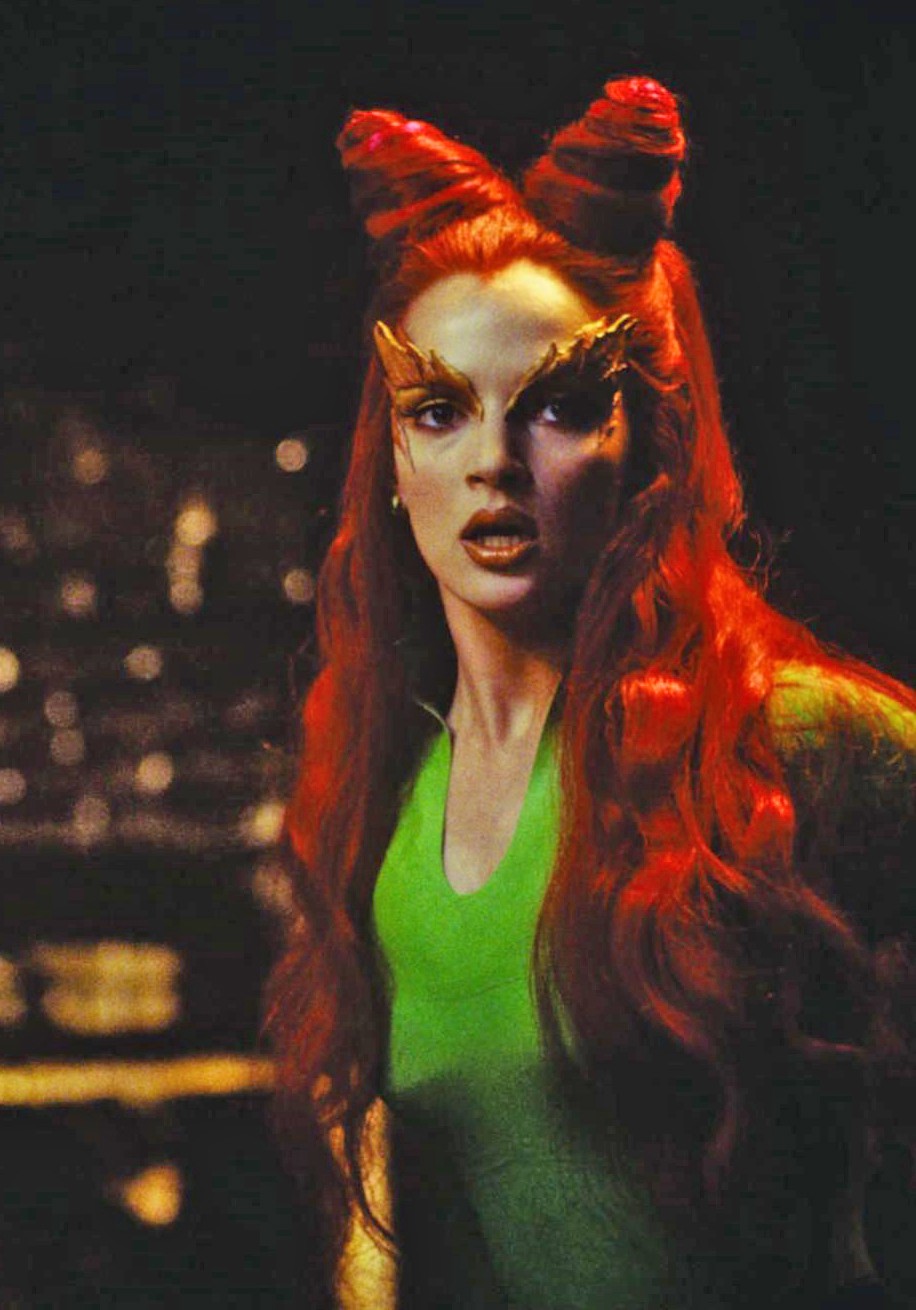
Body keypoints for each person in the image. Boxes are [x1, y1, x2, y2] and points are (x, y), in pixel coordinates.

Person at [266, 77, 916, 1309]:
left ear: (644, 442)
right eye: (438, 408)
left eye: (560, 406)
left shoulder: (780, 738)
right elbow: (392, 1167)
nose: (494, 462)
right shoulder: (377, 793)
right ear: (392, 456)